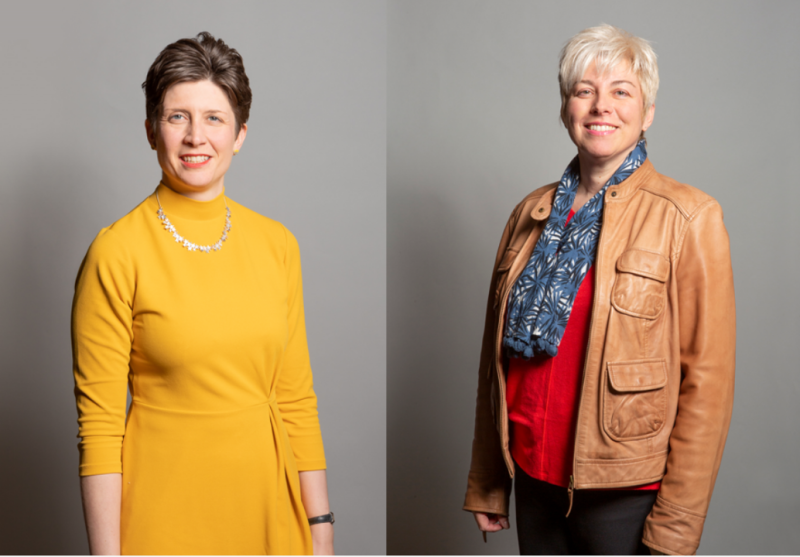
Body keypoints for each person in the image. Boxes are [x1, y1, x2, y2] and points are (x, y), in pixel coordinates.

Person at [463, 24, 735, 555]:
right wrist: (489, 480)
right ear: (566, 108)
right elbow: (493, 362)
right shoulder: (530, 214)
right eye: (584, 90)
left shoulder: (688, 217)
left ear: (647, 111)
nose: (599, 106)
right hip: (534, 485)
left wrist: (676, 527)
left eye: (621, 91)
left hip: (626, 495)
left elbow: (709, 384)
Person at [72, 32, 334, 555]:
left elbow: (296, 398)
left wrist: (321, 529)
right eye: (177, 117)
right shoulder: (116, 252)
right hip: (161, 523)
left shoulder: (277, 244)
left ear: (239, 134)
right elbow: (99, 430)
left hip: (271, 518)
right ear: (151, 130)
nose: (196, 137)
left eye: (214, 118)